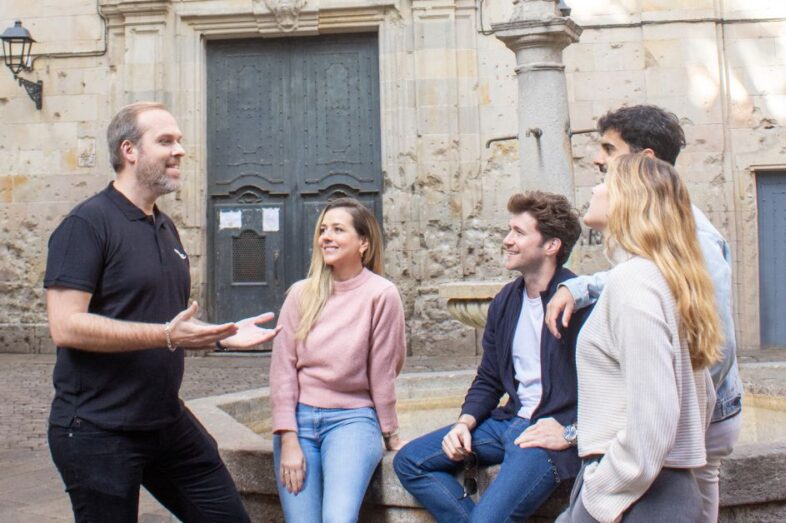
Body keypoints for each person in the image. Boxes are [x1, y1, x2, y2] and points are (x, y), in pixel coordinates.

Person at [44, 102, 281, 522]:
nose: (180, 151)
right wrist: (165, 336)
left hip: (163, 420)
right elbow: (66, 326)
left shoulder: (163, 226)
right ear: (129, 150)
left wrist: (221, 335)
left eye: (180, 141)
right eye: (166, 141)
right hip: (97, 428)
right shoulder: (87, 224)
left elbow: (164, 317)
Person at [545, 105, 743, 522]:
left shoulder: (638, 280)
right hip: (654, 471)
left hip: (641, 480)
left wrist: (605, 489)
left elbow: (699, 372)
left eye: (608, 167)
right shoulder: (646, 273)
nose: (597, 176)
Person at [393, 191, 590, 523]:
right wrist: (464, 423)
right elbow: (489, 378)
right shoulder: (506, 300)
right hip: (505, 425)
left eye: (518, 232)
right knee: (410, 461)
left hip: (546, 435)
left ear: (551, 246)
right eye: (509, 230)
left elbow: (608, 385)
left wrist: (572, 431)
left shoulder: (579, 302)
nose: (507, 241)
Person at [269, 197, 406, 523]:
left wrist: (391, 433)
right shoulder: (301, 294)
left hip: (352, 421)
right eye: (323, 230)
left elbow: (383, 371)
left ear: (364, 243)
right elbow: (282, 371)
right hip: (299, 424)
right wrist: (288, 438)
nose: (325, 237)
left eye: (338, 230)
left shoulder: (382, 294)